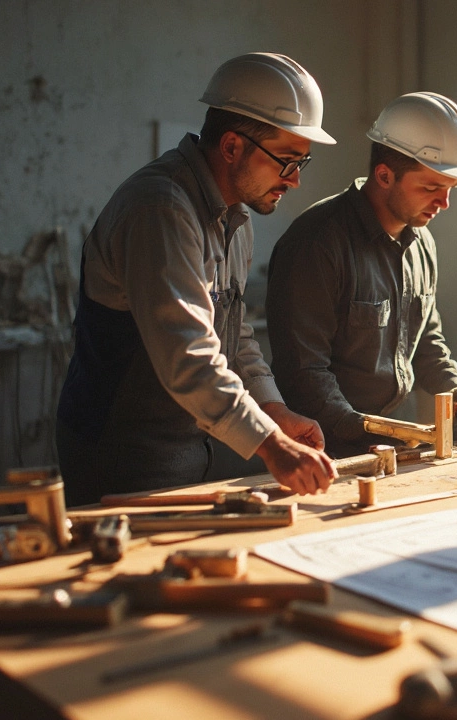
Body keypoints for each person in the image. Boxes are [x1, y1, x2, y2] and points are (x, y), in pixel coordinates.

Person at [56, 53, 339, 506]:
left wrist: (274, 409)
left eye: (302, 163)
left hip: (187, 445)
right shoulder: (160, 209)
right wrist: (270, 444)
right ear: (231, 147)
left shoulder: (236, 219)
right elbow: (189, 356)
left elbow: (233, 336)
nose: (295, 180)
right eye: (286, 160)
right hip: (120, 454)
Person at [265, 92, 457, 457]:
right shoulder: (317, 243)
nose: (444, 203)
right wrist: (360, 428)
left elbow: (425, 340)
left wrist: (454, 390)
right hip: (321, 446)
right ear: (385, 175)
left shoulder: (422, 244)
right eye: (431, 187)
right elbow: (303, 370)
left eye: (451, 189)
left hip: (387, 442)